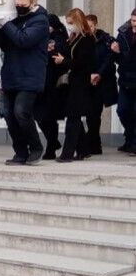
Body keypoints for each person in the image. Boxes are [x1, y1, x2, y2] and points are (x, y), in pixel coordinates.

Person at [0, 0, 49, 165]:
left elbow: (23, 40)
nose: (19, 7)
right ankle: (20, 152)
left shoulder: (40, 20)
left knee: (21, 112)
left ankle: (35, 147)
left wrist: (6, 24)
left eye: (23, 4)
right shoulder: (14, 20)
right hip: (11, 75)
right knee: (9, 115)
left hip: (30, 75)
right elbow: (0, 45)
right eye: (17, 4)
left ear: (32, 2)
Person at [52, 8, 95, 162]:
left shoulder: (87, 39)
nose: (69, 26)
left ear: (78, 22)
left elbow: (82, 63)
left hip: (81, 83)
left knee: (73, 118)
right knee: (73, 117)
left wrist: (64, 61)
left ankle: (67, 154)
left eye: (71, 23)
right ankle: (83, 150)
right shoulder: (74, 38)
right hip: (73, 82)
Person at [35, 14, 68, 159]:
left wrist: (51, 51)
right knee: (39, 116)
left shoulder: (59, 37)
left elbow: (58, 56)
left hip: (53, 85)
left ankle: (51, 146)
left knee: (49, 116)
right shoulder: (42, 37)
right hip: (40, 82)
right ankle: (53, 142)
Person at [85, 14, 118, 155]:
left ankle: (94, 144)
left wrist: (99, 74)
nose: (88, 30)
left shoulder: (105, 40)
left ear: (95, 25)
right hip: (87, 81)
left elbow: (109, 59)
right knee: (89, 114)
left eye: (90, 27)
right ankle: (93, 142)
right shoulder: (82, 40)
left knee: (94, 114)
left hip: (101, 82)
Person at [112, 8, 136, 153]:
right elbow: (117, 59)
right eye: (133, 21)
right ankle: (129, 138)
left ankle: (133, 142)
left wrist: (121, 53)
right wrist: (115, 52)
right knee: (122, 110)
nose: (134, 25)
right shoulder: (123, 33)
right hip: (125, 80)